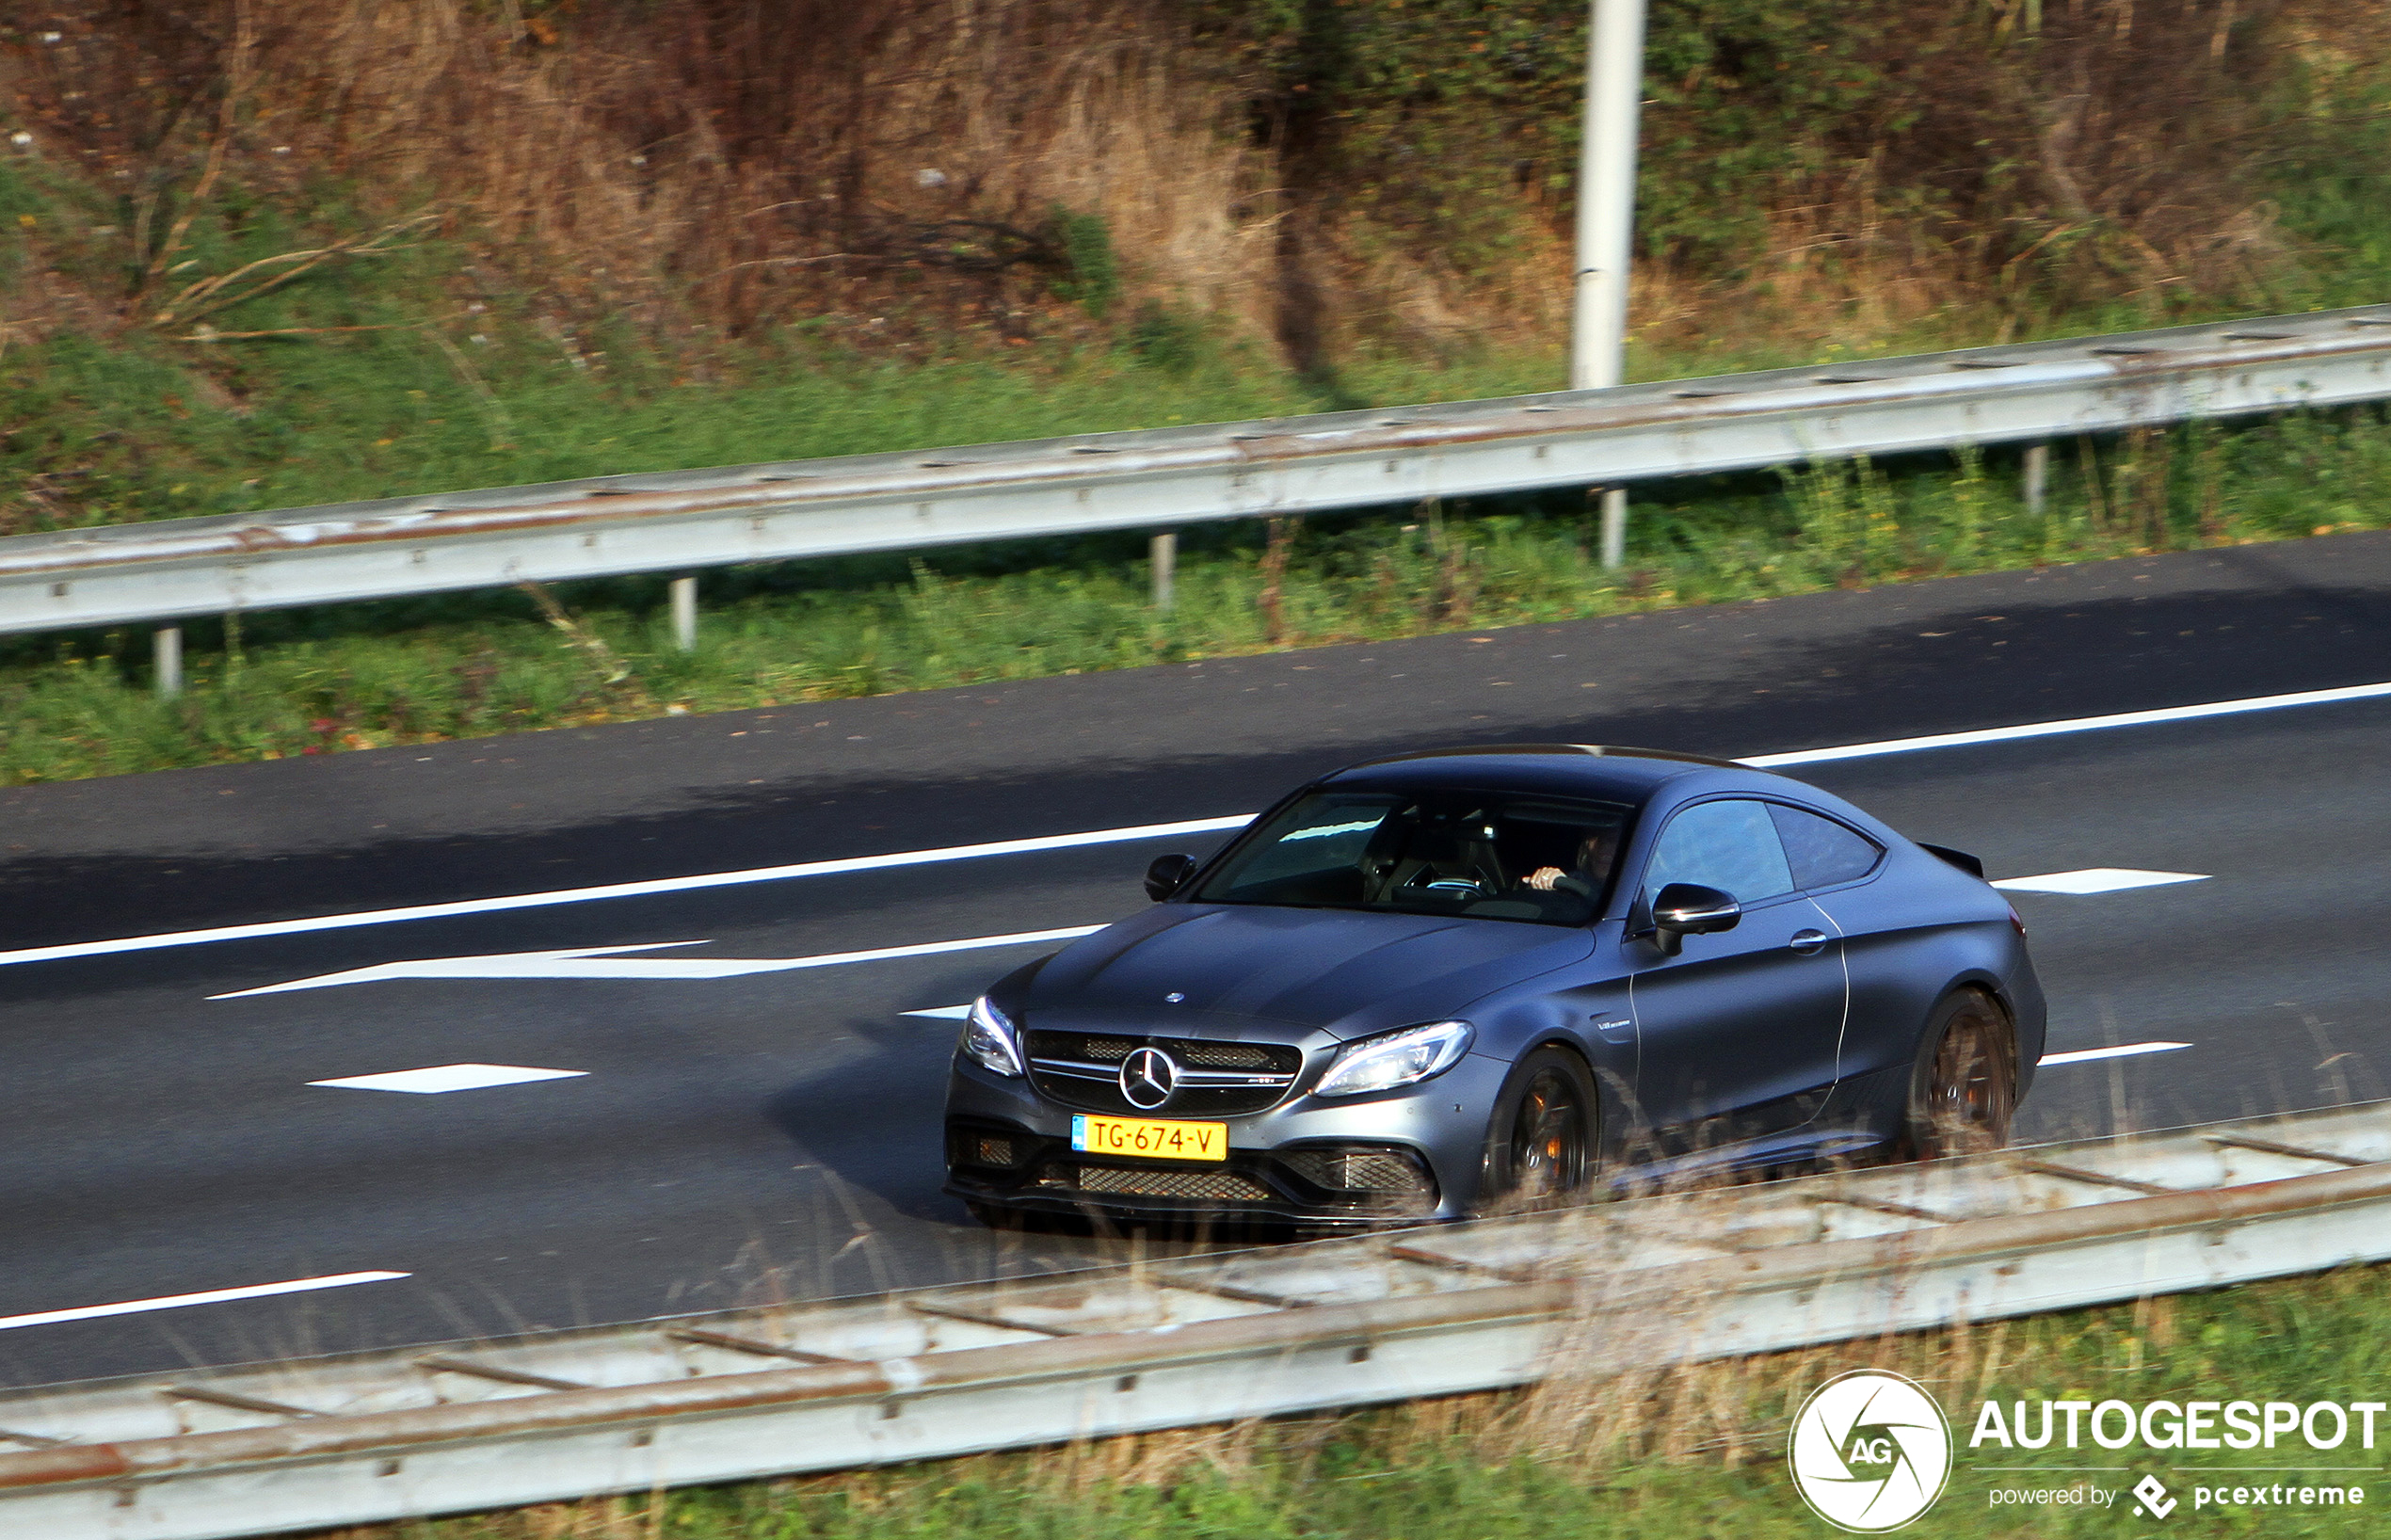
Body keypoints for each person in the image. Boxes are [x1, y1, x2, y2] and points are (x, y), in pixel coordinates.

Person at [1522, 828, 1617, 898]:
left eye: (1613, 839)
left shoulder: (1629, 894)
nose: (1603, 846)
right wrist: (1554, 882)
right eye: (1594, 837)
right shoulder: (1575, 880)